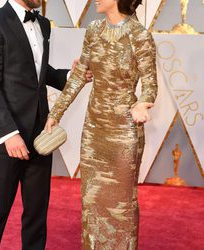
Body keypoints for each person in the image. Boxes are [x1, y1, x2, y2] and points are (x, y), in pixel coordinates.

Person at [0, 0, 92, 249]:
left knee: (37, 212)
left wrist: (70, 77)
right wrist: (9, 133)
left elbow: (38, 71)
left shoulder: (42, 24)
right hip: (6, 136)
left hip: (40, 133)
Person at [45, 0, 158, 249]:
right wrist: (56, 113)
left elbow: (150, 84)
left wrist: (142, 104)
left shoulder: (140, 35)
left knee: (122, 204)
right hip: (93, 131)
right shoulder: (94, 29)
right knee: (92, 201)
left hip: (124, 134)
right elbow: (77, 77)